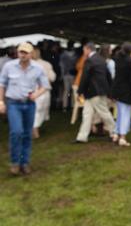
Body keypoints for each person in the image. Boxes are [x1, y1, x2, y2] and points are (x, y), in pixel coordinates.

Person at [0, 43, 50, 176]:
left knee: (27, 134)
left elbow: (45, 85)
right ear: (17, 53)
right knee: (16, 132)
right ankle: (15, 162)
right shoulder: (9, 66)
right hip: (13, 103)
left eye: (26, 52)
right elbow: (2, 84)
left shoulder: (38, 68)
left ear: (31, 54)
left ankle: (25, 162)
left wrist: (36, 94)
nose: (23, 55)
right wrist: (1, 102)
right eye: (21, 52)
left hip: (29, 104)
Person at [74, 43, 115, 143]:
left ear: (88, 49)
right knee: (87, 114)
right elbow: (108, 75)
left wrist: (80, 91)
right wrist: (110, 90)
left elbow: (85, 77)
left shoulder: (90, 60)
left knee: (104, 113)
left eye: (84, 50)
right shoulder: (101, 59)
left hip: (93, 92)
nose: (84, 52)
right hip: (98, 91)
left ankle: (115, 132)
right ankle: (82, 137)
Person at [110, 43, 131, 147]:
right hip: (127, 92)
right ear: (130, 51)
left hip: (118, 90)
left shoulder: (117, 60)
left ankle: (116, 134)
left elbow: (116, 78)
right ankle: (122, 137)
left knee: (120, 114)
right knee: (125, 114)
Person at [31, 48, 56, 138]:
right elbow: (52, 77)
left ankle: (34, 129)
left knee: (36, 110)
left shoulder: (30, 64)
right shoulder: (46, 64)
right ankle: (34, 130)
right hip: (44, 91)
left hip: (35, 90)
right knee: (40, 110)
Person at [59, 43, 76, 111]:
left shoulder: (63, 55)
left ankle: (65, 106)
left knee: (66, 91)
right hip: (72, 74)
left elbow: (61, 66)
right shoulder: (75, 55)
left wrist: (61, 75)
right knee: (72, 91)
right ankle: (72, 105)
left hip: (66, 74)